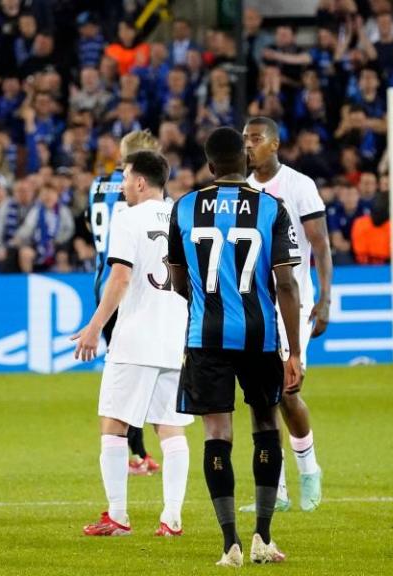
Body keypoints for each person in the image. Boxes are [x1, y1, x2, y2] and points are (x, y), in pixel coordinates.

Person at [167, 127, 302, 566]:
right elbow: (285, 282)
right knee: (266, 424)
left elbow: (177, 279)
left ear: (209, 166)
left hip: (206, 337)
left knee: (216, 433)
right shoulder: (271, 208)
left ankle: (230, 543)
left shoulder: (184, 208)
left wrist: (205, 303)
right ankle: (263, 536)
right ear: (246, 163)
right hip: (259, 336)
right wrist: (294, 351)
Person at [73, 151, 192, 537]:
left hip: (137, 336)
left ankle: (119, 516)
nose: (122, 185)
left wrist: (94, 326)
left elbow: (121, 278)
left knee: (113, 425)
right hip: (176, 335)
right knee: (171, 429)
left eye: (125, 177)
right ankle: (171, 518)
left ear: (141, 182)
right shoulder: (182, 215)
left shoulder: (128, 218)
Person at [240, 116, 332, 513]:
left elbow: (321, 245)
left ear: (275, 144)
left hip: (290, 301)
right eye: (245, 139)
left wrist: (326, 297)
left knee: (289, 394)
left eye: (256, 139)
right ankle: (274, 491)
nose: (249, 145)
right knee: (262, 399)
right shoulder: (241, 190)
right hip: (252, 303)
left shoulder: (299, 186)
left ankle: (309, 471)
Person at [87, 129, 161, 476]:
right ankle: (138, 453)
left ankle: (137, 453)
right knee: (140, 374)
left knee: (124, 372)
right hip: (132, 285)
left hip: (102, 279)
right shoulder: (140, 194)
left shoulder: (96, 185)